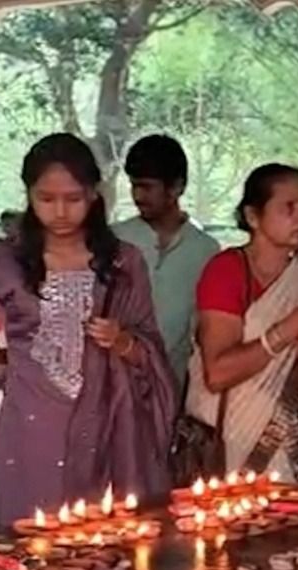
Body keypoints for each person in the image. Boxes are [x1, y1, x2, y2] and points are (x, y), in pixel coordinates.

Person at [0, 133, 176, 525]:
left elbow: (148, 344)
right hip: (31, 422)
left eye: (73, 198)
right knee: (31, 541)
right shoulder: (5, 259)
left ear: (94, 195)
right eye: (46, 200)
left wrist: (122, 342)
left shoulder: (121, 262)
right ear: (29, 197)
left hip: (106, 420)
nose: (61, 212)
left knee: (99, 541)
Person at [188, 164, 298, 489]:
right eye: (289, 207)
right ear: (253, 216)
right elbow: (217, 374)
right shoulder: (227, 271)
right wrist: (287, 329)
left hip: (293, 449)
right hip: (229, 445)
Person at [115, 134, 220, 389]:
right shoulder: (114, 239)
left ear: (177, 187)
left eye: (147, 186)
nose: (138, 195)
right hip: (115, 384)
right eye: (133, 185)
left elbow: (204, 330)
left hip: (173, 385)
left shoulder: (206, 250)